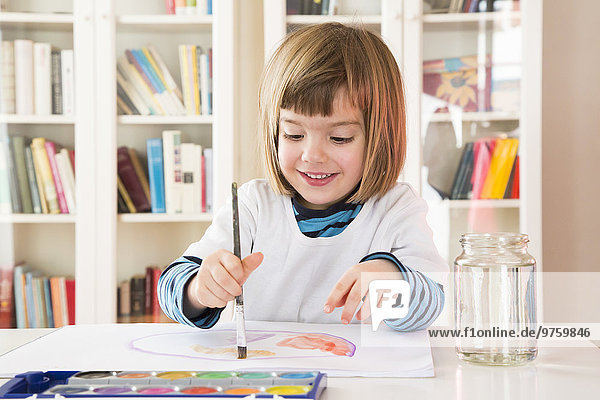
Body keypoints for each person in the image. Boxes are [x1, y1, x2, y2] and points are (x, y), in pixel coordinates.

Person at [158, 22, 447, 331]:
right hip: (268, 375)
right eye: (294, 135)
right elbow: (170, 286)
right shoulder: (253, 205)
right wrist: (199, 290)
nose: (312, 155)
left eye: (340, 138)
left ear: (381, 137)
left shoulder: (396, 208)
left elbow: (431, 304)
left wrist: (390, 279)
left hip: (361, 376)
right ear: (275, 133)